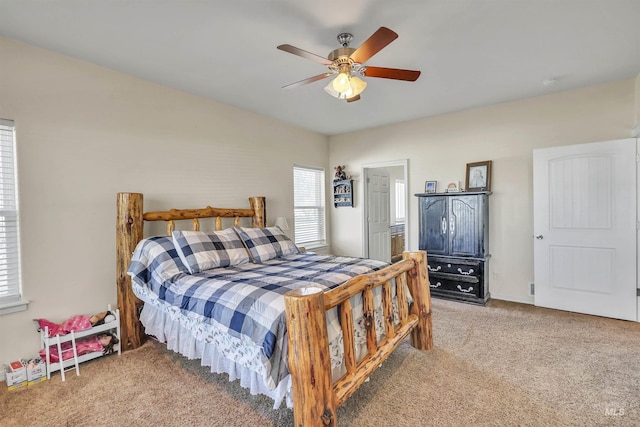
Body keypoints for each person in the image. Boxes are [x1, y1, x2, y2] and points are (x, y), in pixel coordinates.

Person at [39, 333, 119, 362]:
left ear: (109, 345)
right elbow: (86, 342)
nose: (103, 338)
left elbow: (86, 349)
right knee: (65, 346)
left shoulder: (99, 347)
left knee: (67, 352)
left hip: (77, 349)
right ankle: (48, 352)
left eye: (105, 339)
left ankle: (51, 356)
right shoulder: (96, 340)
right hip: (75, 345)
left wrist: (82, 350)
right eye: (104, 337)